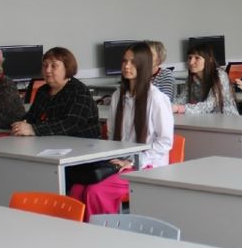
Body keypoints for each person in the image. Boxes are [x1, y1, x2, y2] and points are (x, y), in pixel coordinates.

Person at [70, 42, 173, 216]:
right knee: (77, 188)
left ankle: (102, 231)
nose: (126, 66)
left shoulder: (157, 99)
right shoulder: (118, 96)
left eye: (133, 62)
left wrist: (131, 162)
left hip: (147, 165)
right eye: (124, 61)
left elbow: (165, 142)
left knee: (96, 191)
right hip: (119, 162)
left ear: (144, 65)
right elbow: (111, 134)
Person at [11, 47, 99, 138]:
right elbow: (31, 117)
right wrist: (20, 125)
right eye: (45, 65)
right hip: (49, 142)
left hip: (81, 144)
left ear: (67, 68)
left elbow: (70, 124)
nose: (47, 70)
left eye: (54, 66)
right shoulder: (42, 91)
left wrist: (33, 129)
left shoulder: (79, 92)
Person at [174, 42, 238, 115]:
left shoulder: (219, 75)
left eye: (197, 58)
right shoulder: (191, 78)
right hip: (205, 118)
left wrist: (180, 108)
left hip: (226, 118)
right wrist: (169, 106)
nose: (191, 62)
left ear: (209, 60)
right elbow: (182, 98)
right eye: (190, 58)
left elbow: (210, 105)